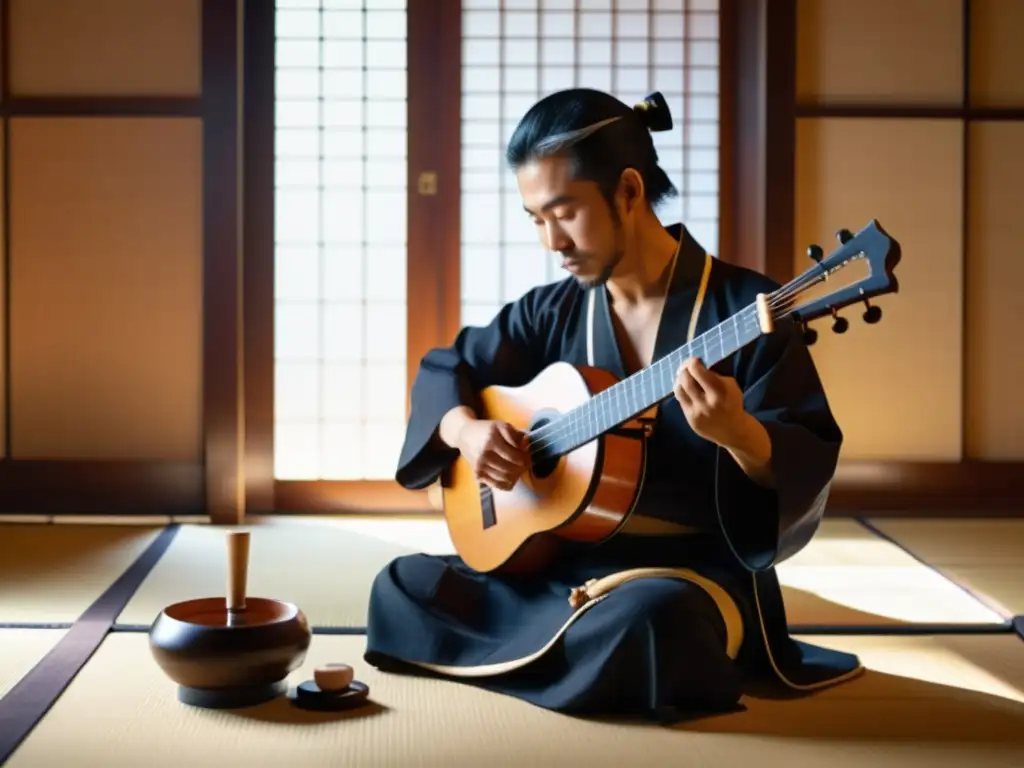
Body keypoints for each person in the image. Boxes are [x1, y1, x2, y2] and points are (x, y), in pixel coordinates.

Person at [363, 88, 863, 722]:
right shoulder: (552, 310)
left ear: (629, 190)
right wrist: (465, 432)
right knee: (400, 587)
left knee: (656, 628)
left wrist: (739, 433)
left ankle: (529, 658)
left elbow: (800, 455)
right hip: (561, 567)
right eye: (536, 219)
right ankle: (568, 665)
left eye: (565, 213)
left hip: (682, 581)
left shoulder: (747, 310)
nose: (552, 242)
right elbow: (449, 367)